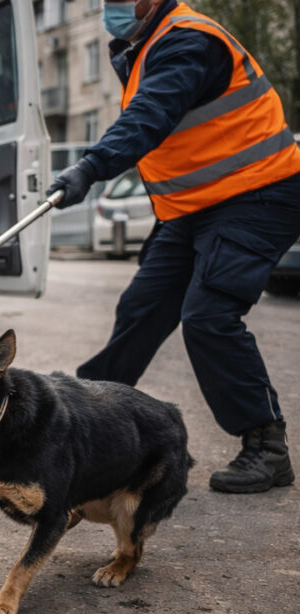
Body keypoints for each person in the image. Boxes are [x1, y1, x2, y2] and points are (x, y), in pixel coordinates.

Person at [49, 0, 299, 494]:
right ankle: (78, 417)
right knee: (143, 308)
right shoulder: (144, 45)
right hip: (193, 208)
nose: (108, 7)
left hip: (257, 193)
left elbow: (150, 117)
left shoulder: (189, 40)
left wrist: (90, 167)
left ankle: (267, 448)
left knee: (209, 316)